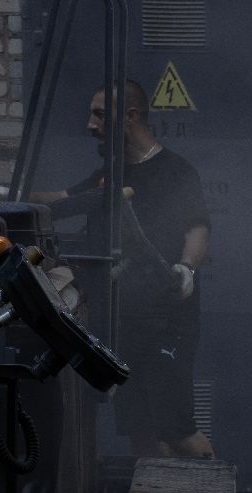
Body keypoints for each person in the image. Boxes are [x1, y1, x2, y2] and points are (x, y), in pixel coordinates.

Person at [36, 80, 213, 459]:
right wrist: (12, 196)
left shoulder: (176, 172)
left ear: (129, 117)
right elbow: (65, 201)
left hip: (168, 321)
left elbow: (197, 230)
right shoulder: (111, 174)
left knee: (178, 429)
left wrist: (186, 269)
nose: (90, 124)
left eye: (99, 114)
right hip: (124, 319)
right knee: (142, 429)